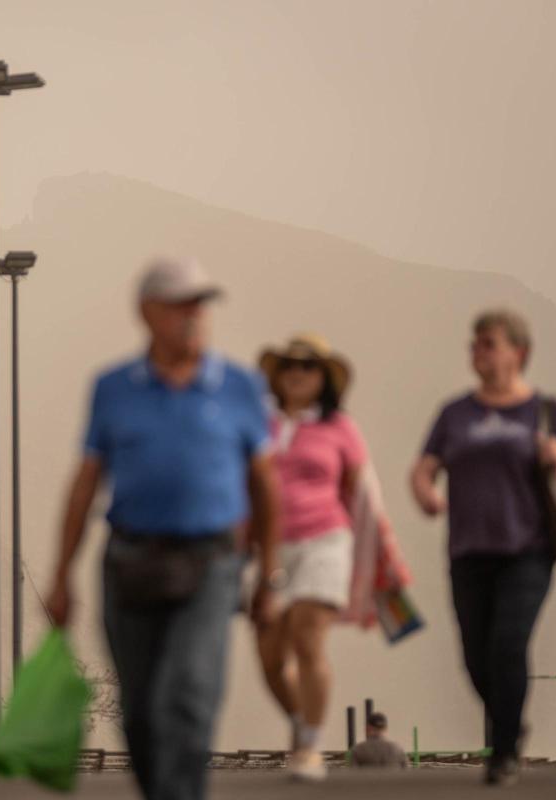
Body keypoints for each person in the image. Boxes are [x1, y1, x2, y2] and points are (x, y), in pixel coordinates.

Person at [46, 256, 281, 800]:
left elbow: (265, 486)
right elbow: (86, 483)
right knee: (141, 713)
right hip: (129, 562)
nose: (193, 315)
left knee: (188, 693)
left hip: (212, 562)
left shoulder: (240, 387)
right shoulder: (113, 388)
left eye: (201, 304)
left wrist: (269, 575)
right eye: (180, 305)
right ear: (147, 312)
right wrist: (62, 575)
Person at [409, 309, 556, 786]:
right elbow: (424, 467)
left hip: (527, 550)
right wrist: (426, 493)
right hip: (468, 551)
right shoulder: (455, 413)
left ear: (518, 353)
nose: (478, 352)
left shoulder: (544, 411)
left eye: (489, 343)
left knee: (508, 644)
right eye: (475, 344)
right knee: (476, 657)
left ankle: (504, 749)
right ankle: (510, 718)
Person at [253, 334, 368, 781]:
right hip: (270, 546)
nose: (297, 374)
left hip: (324, 539)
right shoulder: (260, 424)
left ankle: (311, 745)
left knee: (308, 636)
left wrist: (372, 554)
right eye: (289, 366)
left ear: (324, 378)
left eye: (308, 366)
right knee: (269, 657)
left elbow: (359, 490)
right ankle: (301, 721)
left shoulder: (340, 428)